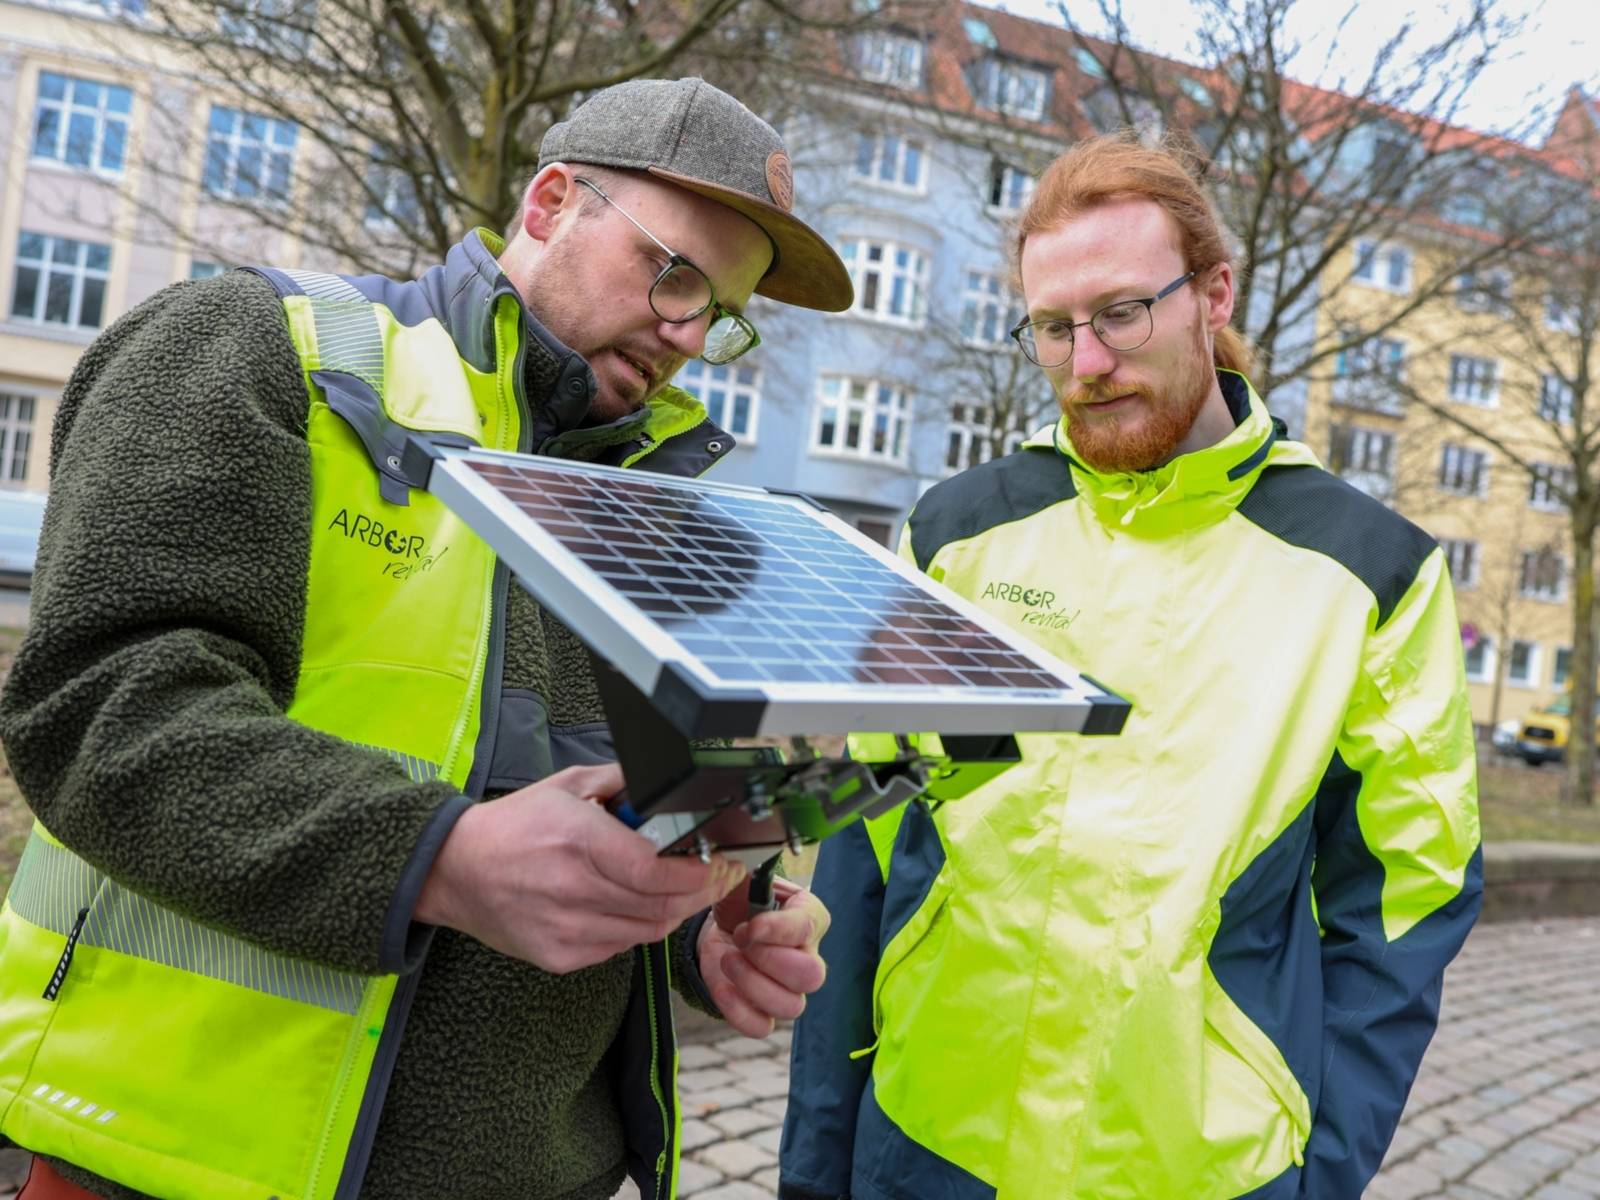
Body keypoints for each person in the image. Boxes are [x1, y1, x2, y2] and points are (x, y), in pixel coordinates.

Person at [0, 77, 848, 1200]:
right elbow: (101, 709)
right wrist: (436, 858)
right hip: (175, 1161)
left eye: (721, 312)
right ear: (549, 204)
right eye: (675, 272)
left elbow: (609, 824)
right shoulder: (261, 345)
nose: (687, 334)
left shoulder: (659, 518)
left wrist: (690, 941)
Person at [779, 133, 1482, 1200]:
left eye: (1118, 313)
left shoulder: (1369, 572)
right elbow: (864, 852)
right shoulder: (955, 533)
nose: (1086, 362)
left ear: (1212, 293)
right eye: (1052, 328)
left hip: (1197, 1171)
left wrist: (1315, 1171)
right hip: (925, 1143)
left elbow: (1403, 905)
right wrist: (819, 1160)